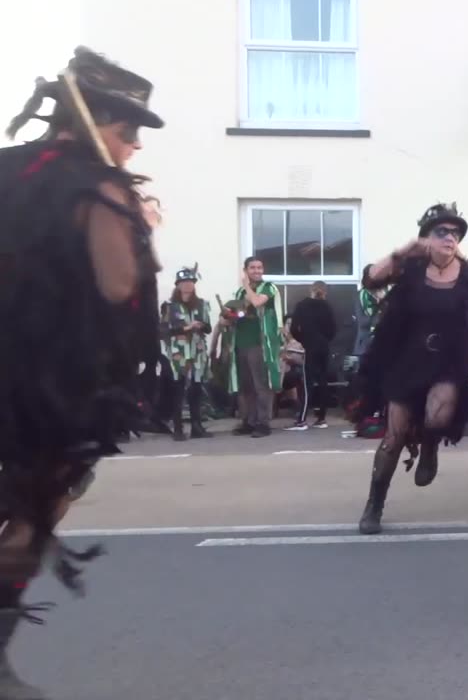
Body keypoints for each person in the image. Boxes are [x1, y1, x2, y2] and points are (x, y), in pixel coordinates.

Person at [0, 46, 164, 698]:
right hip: (42, 386)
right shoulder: (99, 190)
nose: (133, 147)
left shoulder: (6, 168)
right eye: (127, 131)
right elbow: (119, 289)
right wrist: (139, 231)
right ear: (93, 119)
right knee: (36, 511)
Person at [355, 204, 468, 535]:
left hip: (450, 360)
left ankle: (429, 445)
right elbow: (371, 279)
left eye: (455, 233)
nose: (450, 237)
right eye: (441, 232)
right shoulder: (412, 268)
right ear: (427, 239)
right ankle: (374, 504)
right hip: (408, 360)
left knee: (437, 417)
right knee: (394, 437)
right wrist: (404, 250)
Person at [222, 257, 284, 438]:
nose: (257, 270)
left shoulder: (268, 287)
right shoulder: (240, 292)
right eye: (252, 267)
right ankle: (248, 421)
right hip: (241, 342)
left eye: (259, 267)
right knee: (245, 386)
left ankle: (263, 423)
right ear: (246, 270)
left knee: (261, 385)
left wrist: (247, 286)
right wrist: (227, 317)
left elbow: (257, 302)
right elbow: (237, 313)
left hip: (260, 344)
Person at [161, 265, 214, 441]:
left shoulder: (202, 304)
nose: (187, 285)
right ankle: (177, 428)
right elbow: (164, 331)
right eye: (183, 282)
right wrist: (186, 327)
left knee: (196, 389)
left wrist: (201, 326)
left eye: (190, 282)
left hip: (197, 351)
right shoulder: (169, 306)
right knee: (177, 389)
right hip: (178, 353)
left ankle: (197, 426)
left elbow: (208, 328)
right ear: (177, 285)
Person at [288, 281, 337, 430]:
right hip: (324, 347)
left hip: (310, 346)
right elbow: (333, 329)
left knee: (307, 383)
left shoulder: (302, 305)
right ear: (325, 292)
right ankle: (321, 418)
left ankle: (302, 419)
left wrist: (303, 340)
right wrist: (325, 340)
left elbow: (294, 328)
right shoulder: (327, 306)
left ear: (311, 290)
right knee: (323, 381)